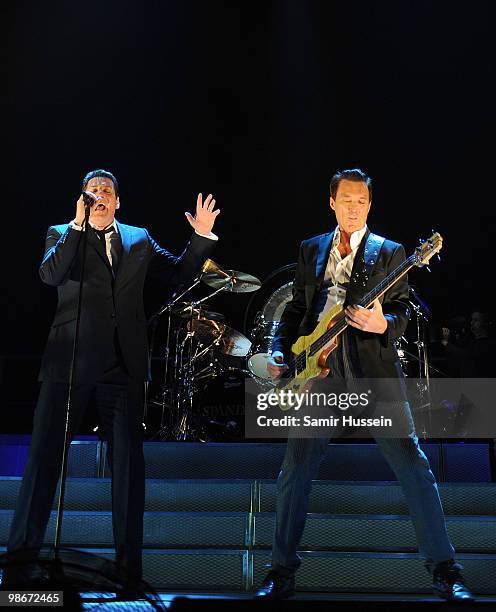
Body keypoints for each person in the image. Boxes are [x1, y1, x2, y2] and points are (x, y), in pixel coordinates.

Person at [255, 169, 473, 602]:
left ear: (369, 206)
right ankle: (280, 572)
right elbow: (297, 309)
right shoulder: (310, 249)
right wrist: (281, 352)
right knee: (295, 469)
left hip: (372, 371)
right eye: (346, 200)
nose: (353, 208)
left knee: (411, 464)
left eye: (362, 202)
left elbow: (403, 313)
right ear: (331, 202)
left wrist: (382, 323)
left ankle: (445, 569)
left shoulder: (390, 252)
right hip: (316, 370)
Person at [5, 169, 220, 590]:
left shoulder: (138, 238)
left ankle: (127, 572)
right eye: (93, 190)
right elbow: (49, 275)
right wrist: (76, 227)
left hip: (123, 367)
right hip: (69, 364)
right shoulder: (62, 233)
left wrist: (202, 238)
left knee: (127, 470)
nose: (101, 195)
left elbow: (177, 275)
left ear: (118, 201)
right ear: (83, 198)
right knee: (43, 463)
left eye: (108, 191)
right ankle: (21, 564)